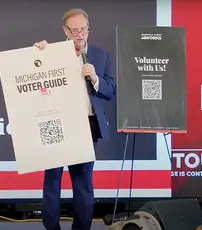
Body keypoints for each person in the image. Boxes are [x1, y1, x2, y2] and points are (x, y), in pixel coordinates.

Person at [33, 8, 115, 230]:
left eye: (84, 30)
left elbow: (110, 90)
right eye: (75, 30)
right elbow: (33, 71)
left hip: (85, 127)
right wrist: (37, 54)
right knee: (51, 182)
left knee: (83, 185)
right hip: (56, 125)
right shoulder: (51, 52)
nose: (80, 35)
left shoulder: (101, 55)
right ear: (65, 30)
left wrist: (96, 78)